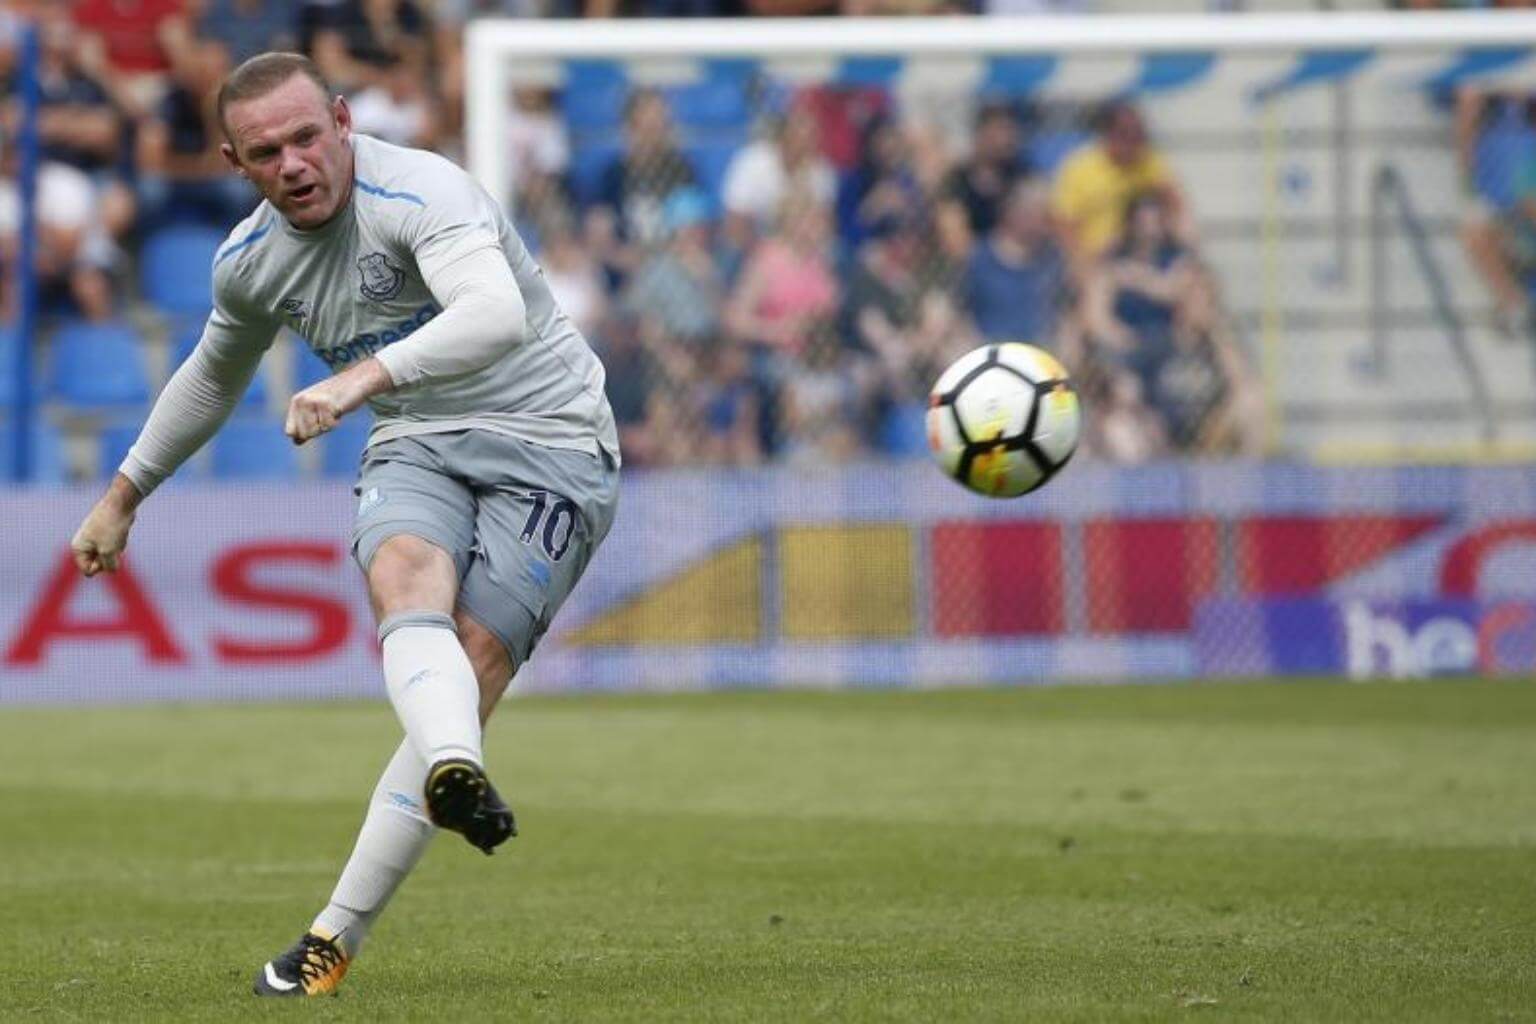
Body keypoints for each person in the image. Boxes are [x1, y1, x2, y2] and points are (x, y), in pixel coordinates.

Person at [67, 53, 620, 998]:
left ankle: (336, 929)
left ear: (341, 121)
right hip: (417, 438)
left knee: (474, 656)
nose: (293, 164)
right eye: (265, 153)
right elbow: (211, 378)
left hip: (552, 440)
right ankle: (453, 769)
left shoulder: (423, 190)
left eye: (305, 138)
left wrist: (360, 378)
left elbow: (494, 316)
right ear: (236, 164)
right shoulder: (249, 262)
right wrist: (123, 495)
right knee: (403, 576)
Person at [1051, 101, 1190, 277]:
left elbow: (1175, 202)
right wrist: (1084, 261)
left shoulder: (1149, 162)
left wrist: (1182, 241)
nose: (1133, 143)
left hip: (1143, 255)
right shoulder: (1079, 168)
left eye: (1138, 136)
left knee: (1191, 279)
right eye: (1125, 134)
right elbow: (1063, 224)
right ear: (1107, 134)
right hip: (1097, 258)